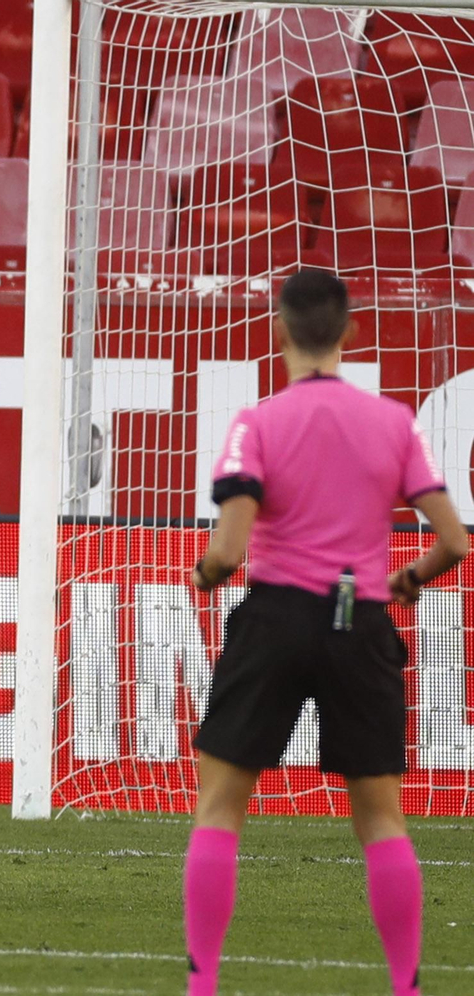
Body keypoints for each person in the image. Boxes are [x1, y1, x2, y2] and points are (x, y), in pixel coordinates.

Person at [187, 269, 465, 996]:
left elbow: (228, 545)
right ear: (349, 334)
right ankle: (406, 987)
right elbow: (454, 541)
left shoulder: (258, 423)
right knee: (379, 816)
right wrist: (409, 580)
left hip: (277, 616)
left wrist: (209, 574)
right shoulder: (395, 422)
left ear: (280, 331)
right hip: (359, 620)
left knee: (221, 805)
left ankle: (204, 984)